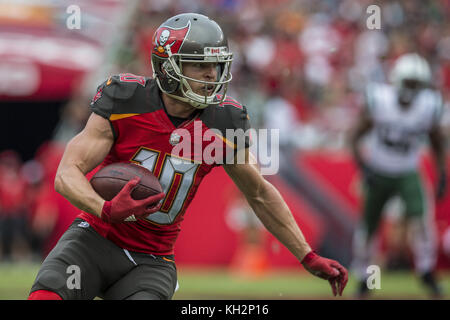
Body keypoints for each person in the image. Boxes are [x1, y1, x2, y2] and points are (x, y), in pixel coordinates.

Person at [28, 13, 347, 300]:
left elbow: (259, 194)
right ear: (168, 67)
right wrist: (106, 209)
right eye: (200, 65)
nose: (212, 74)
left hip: (151, 260)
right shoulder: (124, 98)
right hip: (93, 240)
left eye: (216, 64)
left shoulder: (225, 121)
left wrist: (307, 255)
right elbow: (66, 173)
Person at [350, 53, 446, 298]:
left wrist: (442, 173)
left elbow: (436, 142)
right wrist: (364, 169)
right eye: (409, 83)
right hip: (379, 169)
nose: (412, 90)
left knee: (422, 219)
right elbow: (354, 137)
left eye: (417, 84)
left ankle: (426, 271)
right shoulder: (380, 100)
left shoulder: (428, 106)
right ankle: (364, 277)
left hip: (407, 170)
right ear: (397, 80)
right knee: (368, 227)